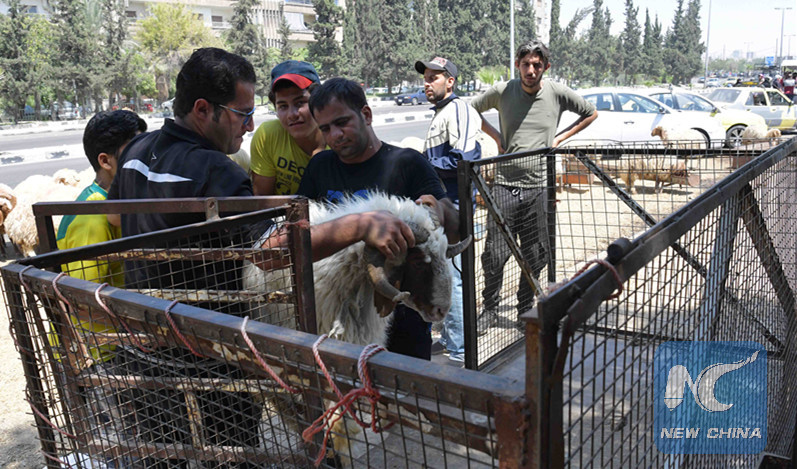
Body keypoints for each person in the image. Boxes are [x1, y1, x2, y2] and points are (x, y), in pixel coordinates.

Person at [107, 48, 417, 466]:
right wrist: (360, 225)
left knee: (163, 454)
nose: (251, 125)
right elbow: (272, 253)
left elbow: (113, 215)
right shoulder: (216, 170)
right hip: (210, 352)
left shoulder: (135, 150)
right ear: (204, 109)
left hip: (144, 340)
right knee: (229, 455)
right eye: (243, 113)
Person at [297, 77, 460, 360]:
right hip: (342, 316)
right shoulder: (319, 166)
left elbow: (454, 226)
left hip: (405, 314)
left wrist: (441, 211)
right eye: (325, 128)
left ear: (366, 115)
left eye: (342, 122)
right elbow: (305, 225)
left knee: (406, 383)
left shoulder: (408, 163)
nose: (335, 135)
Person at [469, 39, 597, 333]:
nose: (530, 70)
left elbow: (591, 112)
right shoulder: (503, 91)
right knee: (494, 254)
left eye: (537, 65)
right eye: (525, 64)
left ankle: (524, 309)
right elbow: (471, 110)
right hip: (504, 186)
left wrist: (560, 139)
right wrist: (496, 137)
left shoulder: (557, 93)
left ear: (545, 67)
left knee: (535, 254)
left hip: (539, 187)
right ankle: (489, 308)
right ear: (517, 65)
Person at [414, 56, 482, 363]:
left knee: (453, 277)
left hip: (455, 208)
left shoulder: (459, 110)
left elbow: (464, 159)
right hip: (441, 208)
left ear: (450, 81)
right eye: (425, 78)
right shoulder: (442, 112)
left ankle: (459, 350)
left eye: (434, 78)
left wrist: (421, 164)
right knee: (443, 274)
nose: (427, 83)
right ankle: (452, 339)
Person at [250, 60, 327, 195]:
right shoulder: (267, 136)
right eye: (283, 106)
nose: (292, 115)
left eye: (300, 103)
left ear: (319, 101)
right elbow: (261, 202)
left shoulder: (339, 138)